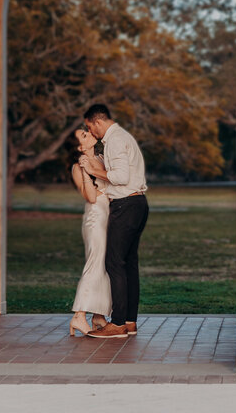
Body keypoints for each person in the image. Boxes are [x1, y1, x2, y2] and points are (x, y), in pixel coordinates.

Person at [76, 102, 149, 339]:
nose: (92, 132)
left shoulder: (115, 140)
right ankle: (129, 321)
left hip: (126, 205)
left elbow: (119, 177)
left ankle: (117, 324)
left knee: (114, 262)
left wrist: (93, 170)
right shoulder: (120, 138)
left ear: (97, 121)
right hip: (136, 204)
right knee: (129, 264)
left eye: (90, 127)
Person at [67, 132, 111, 336]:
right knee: (94, 264)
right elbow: (91, 196)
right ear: (79, 147)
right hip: (95, 218)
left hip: (109, 217)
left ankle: (99, 315)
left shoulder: (102, 159)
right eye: (84, 135)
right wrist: (85, 169)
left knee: (105, 266)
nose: (89, 133)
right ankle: (79, 315)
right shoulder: (77, 168)